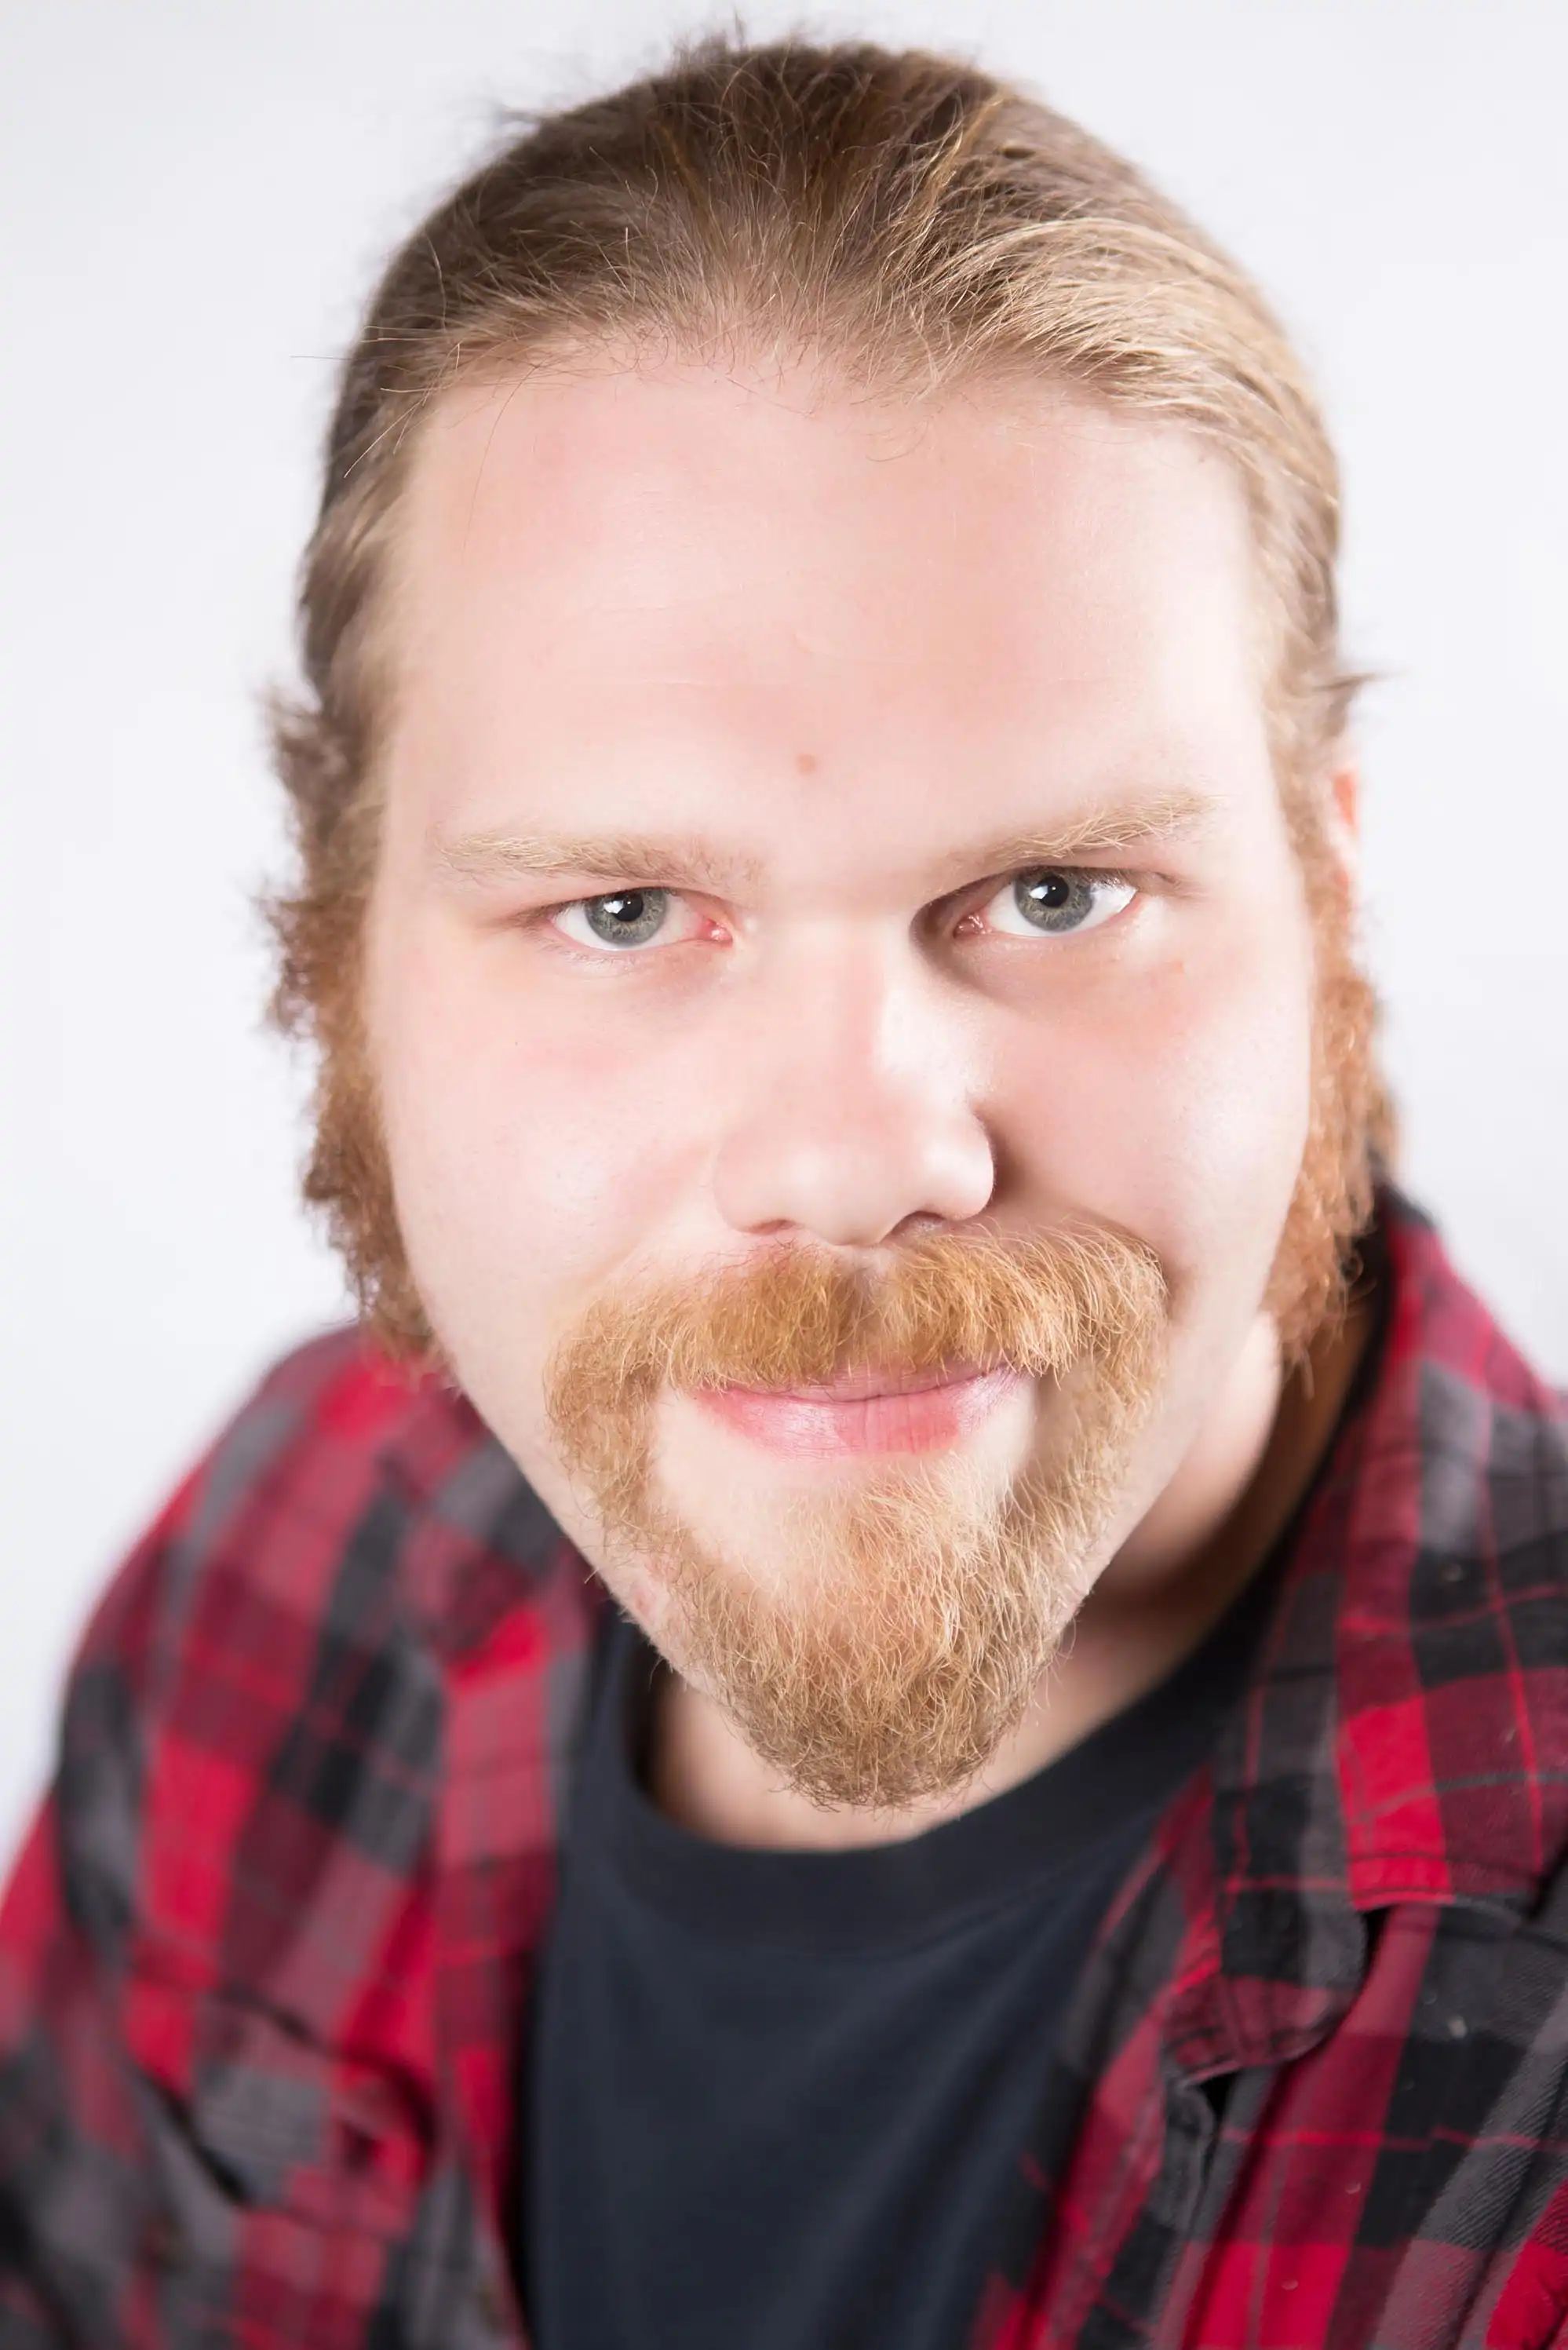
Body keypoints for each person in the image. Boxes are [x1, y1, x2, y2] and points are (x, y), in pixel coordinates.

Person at [2, 33, 1565, 2350]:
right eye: (623, 912)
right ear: (340, 961)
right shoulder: (295, 1550)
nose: (857, 1160)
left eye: (1052, 892)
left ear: (1324, 904)